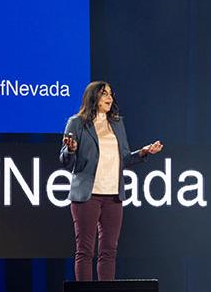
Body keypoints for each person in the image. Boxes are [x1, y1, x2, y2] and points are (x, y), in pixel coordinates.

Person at [60, 81, 163, 281]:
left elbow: (124, 158)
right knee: (85, 251)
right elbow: (65, 162)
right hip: (87, 196)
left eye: (110, 94)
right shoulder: (76, 123)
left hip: (114, 196)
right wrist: (70, 149)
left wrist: (144, 152)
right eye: (104, 94)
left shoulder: (116, 123)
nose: (110, 98)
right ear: (93, 98)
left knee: (109, 251)